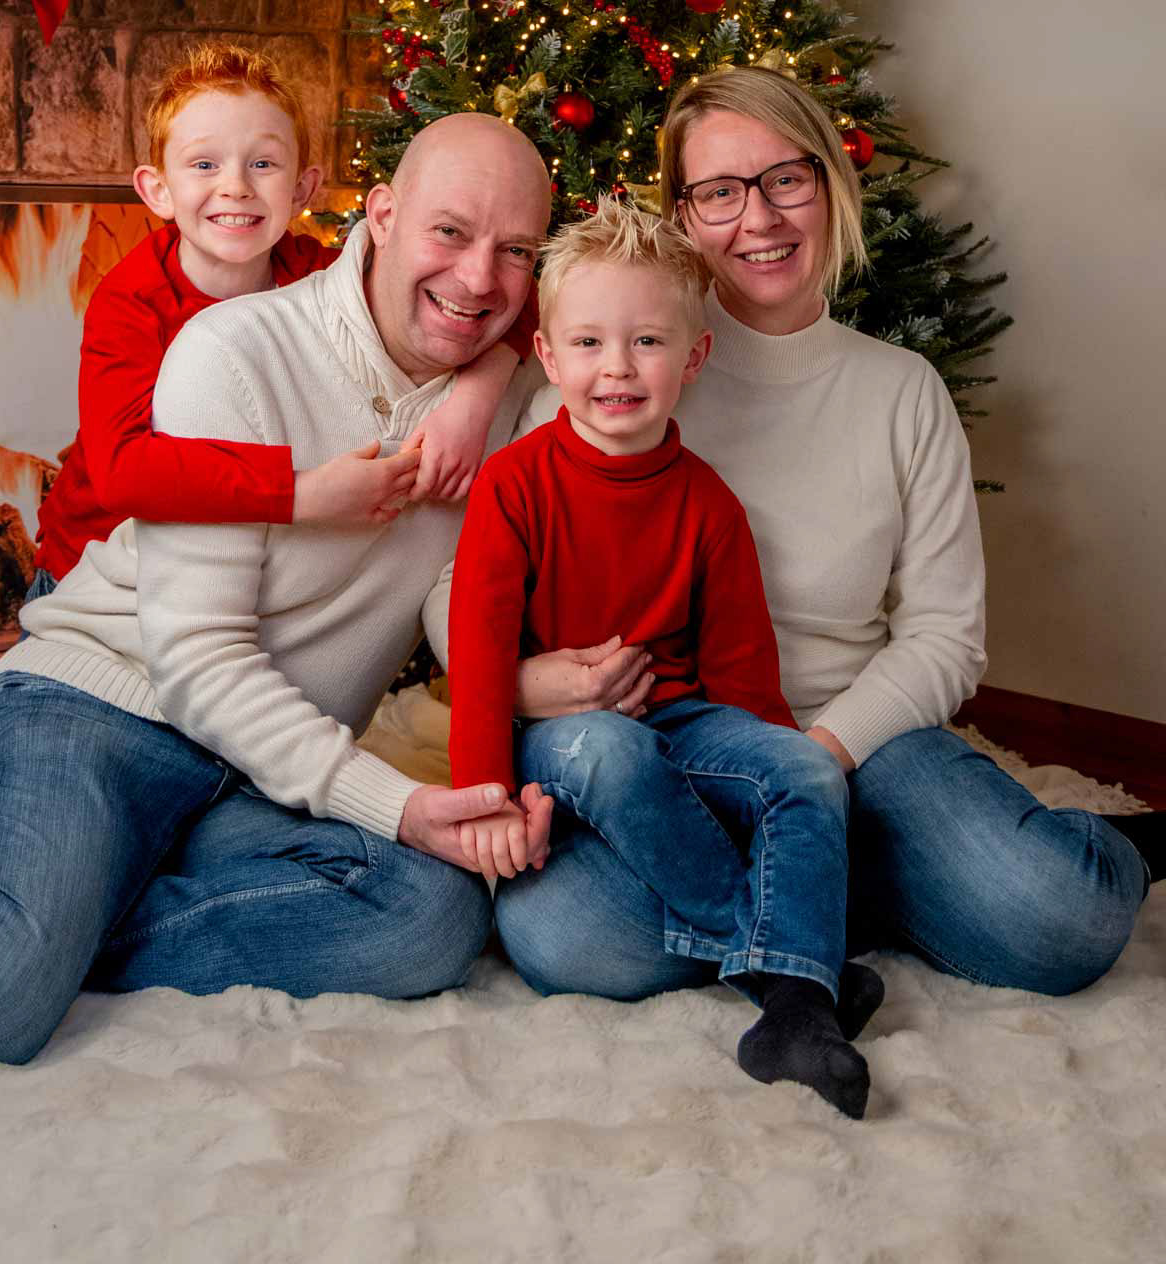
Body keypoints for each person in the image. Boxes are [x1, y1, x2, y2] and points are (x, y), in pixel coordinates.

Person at [0, 113, 553, 1069]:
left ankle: (54, 931)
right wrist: (393, 803)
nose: (480, 278)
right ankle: (20, 945)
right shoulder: (235, 350)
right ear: (381, 215)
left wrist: (536, 684)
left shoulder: (516, 397)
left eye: (516, 250)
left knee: (429, 916)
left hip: (253, 768)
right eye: (449, 232)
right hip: (105, 707)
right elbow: (198, 662)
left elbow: (463, 588)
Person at [491, 66, 1155, 1004]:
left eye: (785, 179)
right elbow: (465, 585)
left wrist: (816, 763)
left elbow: (944, 637)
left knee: (1061, 916)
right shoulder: (610, 369)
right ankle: (847, 898)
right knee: (570, 941)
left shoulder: (902, 391)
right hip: (664, 766)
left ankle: (1090, 848)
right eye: (720, 192)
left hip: (858, 747)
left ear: (830, 185)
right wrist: (527, 684)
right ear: (682, 217)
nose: (759, 217)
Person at [447, 198, 877, 1117]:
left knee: (804, 767)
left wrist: (767, 782)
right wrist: (484, 800)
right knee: (610, 748)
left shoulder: (709, 504)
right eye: (590, 343)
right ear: (549, 356)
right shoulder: (513, 485)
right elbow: (480, 662)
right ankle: (794, 969)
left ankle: (796, 1015)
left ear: (693, 356)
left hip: (684, 724)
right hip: (564, 742)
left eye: (646, 342)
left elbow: (746, 679)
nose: (617, 368)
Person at [32, 40, 538, 596]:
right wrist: (303, 493)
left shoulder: (320, 276)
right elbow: (121, 472)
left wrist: (472, 404)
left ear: (302, 189)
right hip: (93, 570)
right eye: (204, 164)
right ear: (159, 190)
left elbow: (516, 293)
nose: (236, 186)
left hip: (232, 567)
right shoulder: (131, 301)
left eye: (263, 164)